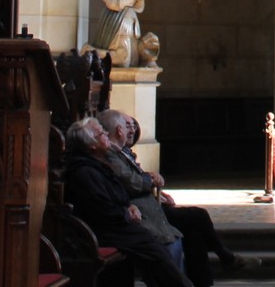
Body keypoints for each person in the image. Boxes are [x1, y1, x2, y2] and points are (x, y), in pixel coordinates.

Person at [97, 110, 256, 283]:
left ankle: (206, 279)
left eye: (133, 126)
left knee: (194, 234)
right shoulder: (110, 154)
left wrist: (153, 187)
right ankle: (226, 258)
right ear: (118, 130)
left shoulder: (122, 151)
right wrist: (149, 180)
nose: (132, 130)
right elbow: (132, 182)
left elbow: (134, 180)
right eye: (127, 126)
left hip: (150, 208)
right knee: (198, 216)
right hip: (144, 215)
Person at [62, 118, 192, 287]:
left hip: (115, 226)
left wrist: (129, 206)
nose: (107, 134)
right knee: (154, 251)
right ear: (92, 145)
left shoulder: (97, 165)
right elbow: (101, 209)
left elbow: (117, 194)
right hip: (103, 231)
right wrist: (125, 212)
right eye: (101, 133)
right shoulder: (85, 172)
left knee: (155, 248)